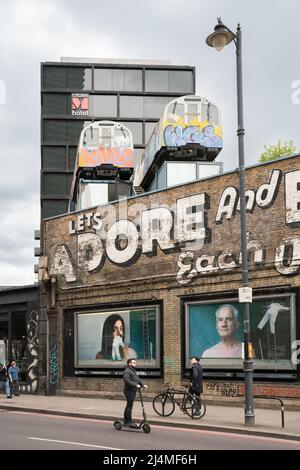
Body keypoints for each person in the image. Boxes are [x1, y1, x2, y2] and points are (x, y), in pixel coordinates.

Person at [123, 358, 147, 428]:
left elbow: (138, 379)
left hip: (133, 390)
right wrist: (135, 385)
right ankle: (129, 422)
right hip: (128, 390)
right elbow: (127, 380)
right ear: (129, 364)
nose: (135, 364)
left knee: (129, 405)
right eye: (133, 363)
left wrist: (143, 385)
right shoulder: (127, 371)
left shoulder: (132, 371)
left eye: (135, 363)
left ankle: (125, 420)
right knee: (129, 406)